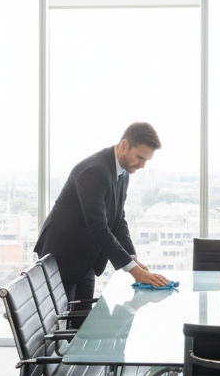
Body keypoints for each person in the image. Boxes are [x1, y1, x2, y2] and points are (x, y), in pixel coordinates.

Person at [35, 122, 169, 305]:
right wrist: (134, 271)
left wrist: (132, 257)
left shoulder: (123, 172)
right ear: (124, 145)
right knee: (61, 323)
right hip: (62, 259)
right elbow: (98, 227)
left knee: (83, 322)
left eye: (146, 160)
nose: (142, 165)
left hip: (86, 260)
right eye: (140, 157)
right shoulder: (94, 171)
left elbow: (118, 218)